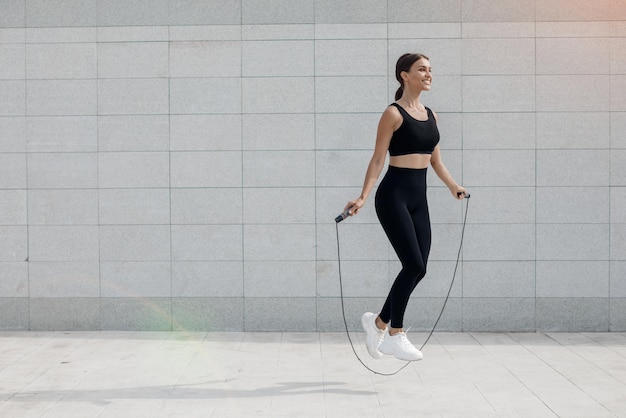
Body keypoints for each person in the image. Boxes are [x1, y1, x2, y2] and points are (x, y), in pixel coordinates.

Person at [343, 53, 466, 361]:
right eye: (422, 69)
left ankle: (378, 322)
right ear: (404, 75)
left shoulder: (431, 115)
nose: (428, 74)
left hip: (418, 198)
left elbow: (435, 160)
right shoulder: (393, 114)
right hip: (393, 196)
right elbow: (377, 159)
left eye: (430, 70)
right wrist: (362, 197)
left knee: (419, 268)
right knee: (413, 265)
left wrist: (454, 186)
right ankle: (395, 334)